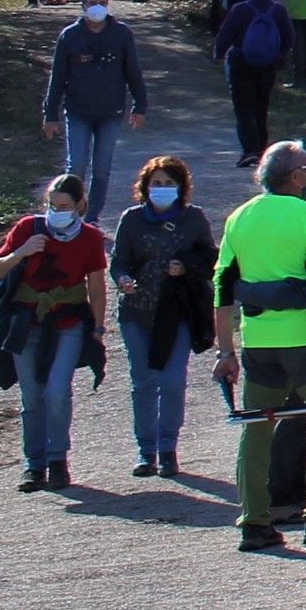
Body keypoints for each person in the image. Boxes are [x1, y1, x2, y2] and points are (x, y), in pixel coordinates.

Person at [215, 144, 306, 549]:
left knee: (255, 431)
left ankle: (255, 522)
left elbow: (223, 289)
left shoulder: (238, 218)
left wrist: (226, 352)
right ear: (295, 177)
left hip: (259, 343)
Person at [0, 172, 109, 490]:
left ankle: (58, 460)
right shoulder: (28, 228)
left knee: (57, 391)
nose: (56, 211)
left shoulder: (90, 238)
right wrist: (22, 251)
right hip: (26, 323)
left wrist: (98, 328)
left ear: (80, 205)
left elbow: (96, 288)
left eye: (64, 205)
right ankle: (34, 465)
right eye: (51, 205)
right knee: (32, 396)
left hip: (68, 322)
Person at [109, 156, 216, 479]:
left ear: (181, 187)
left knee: (171, 382)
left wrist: (186, 266)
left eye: (170, 183)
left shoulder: (193, 218)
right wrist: (123, 280)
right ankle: (147, 452)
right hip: (136, 314)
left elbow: (210, 256)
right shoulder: (131, 220)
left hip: (177, 312)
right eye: (157, 183)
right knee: (143, 382)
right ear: (145, 186)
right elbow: (118, 262)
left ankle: (168, 449)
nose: (162, 189)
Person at [42, 0, 149, 191]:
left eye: (102, 3)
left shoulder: (121, 33)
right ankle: (72, 211)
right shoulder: (70, 35)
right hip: (77, 111)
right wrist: (50, 114)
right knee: (77, 166)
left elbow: (133, 72)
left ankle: (92, 217)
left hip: (111, 111)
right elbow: (57, 77)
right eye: (92, 3)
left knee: (101, 170)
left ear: (108, 5)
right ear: (83, 6)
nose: (97, 7)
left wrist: (140, 106)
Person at [215, 0, 295, 168]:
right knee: (261, 106)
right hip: (268, 64)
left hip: (241, 62)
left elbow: (226, 34)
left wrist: (218, 53)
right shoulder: (278, 10)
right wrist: (279, 56)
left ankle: (250, 150)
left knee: (244, 107)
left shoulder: (240, 9)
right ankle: (261, 149)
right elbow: (289, 38)